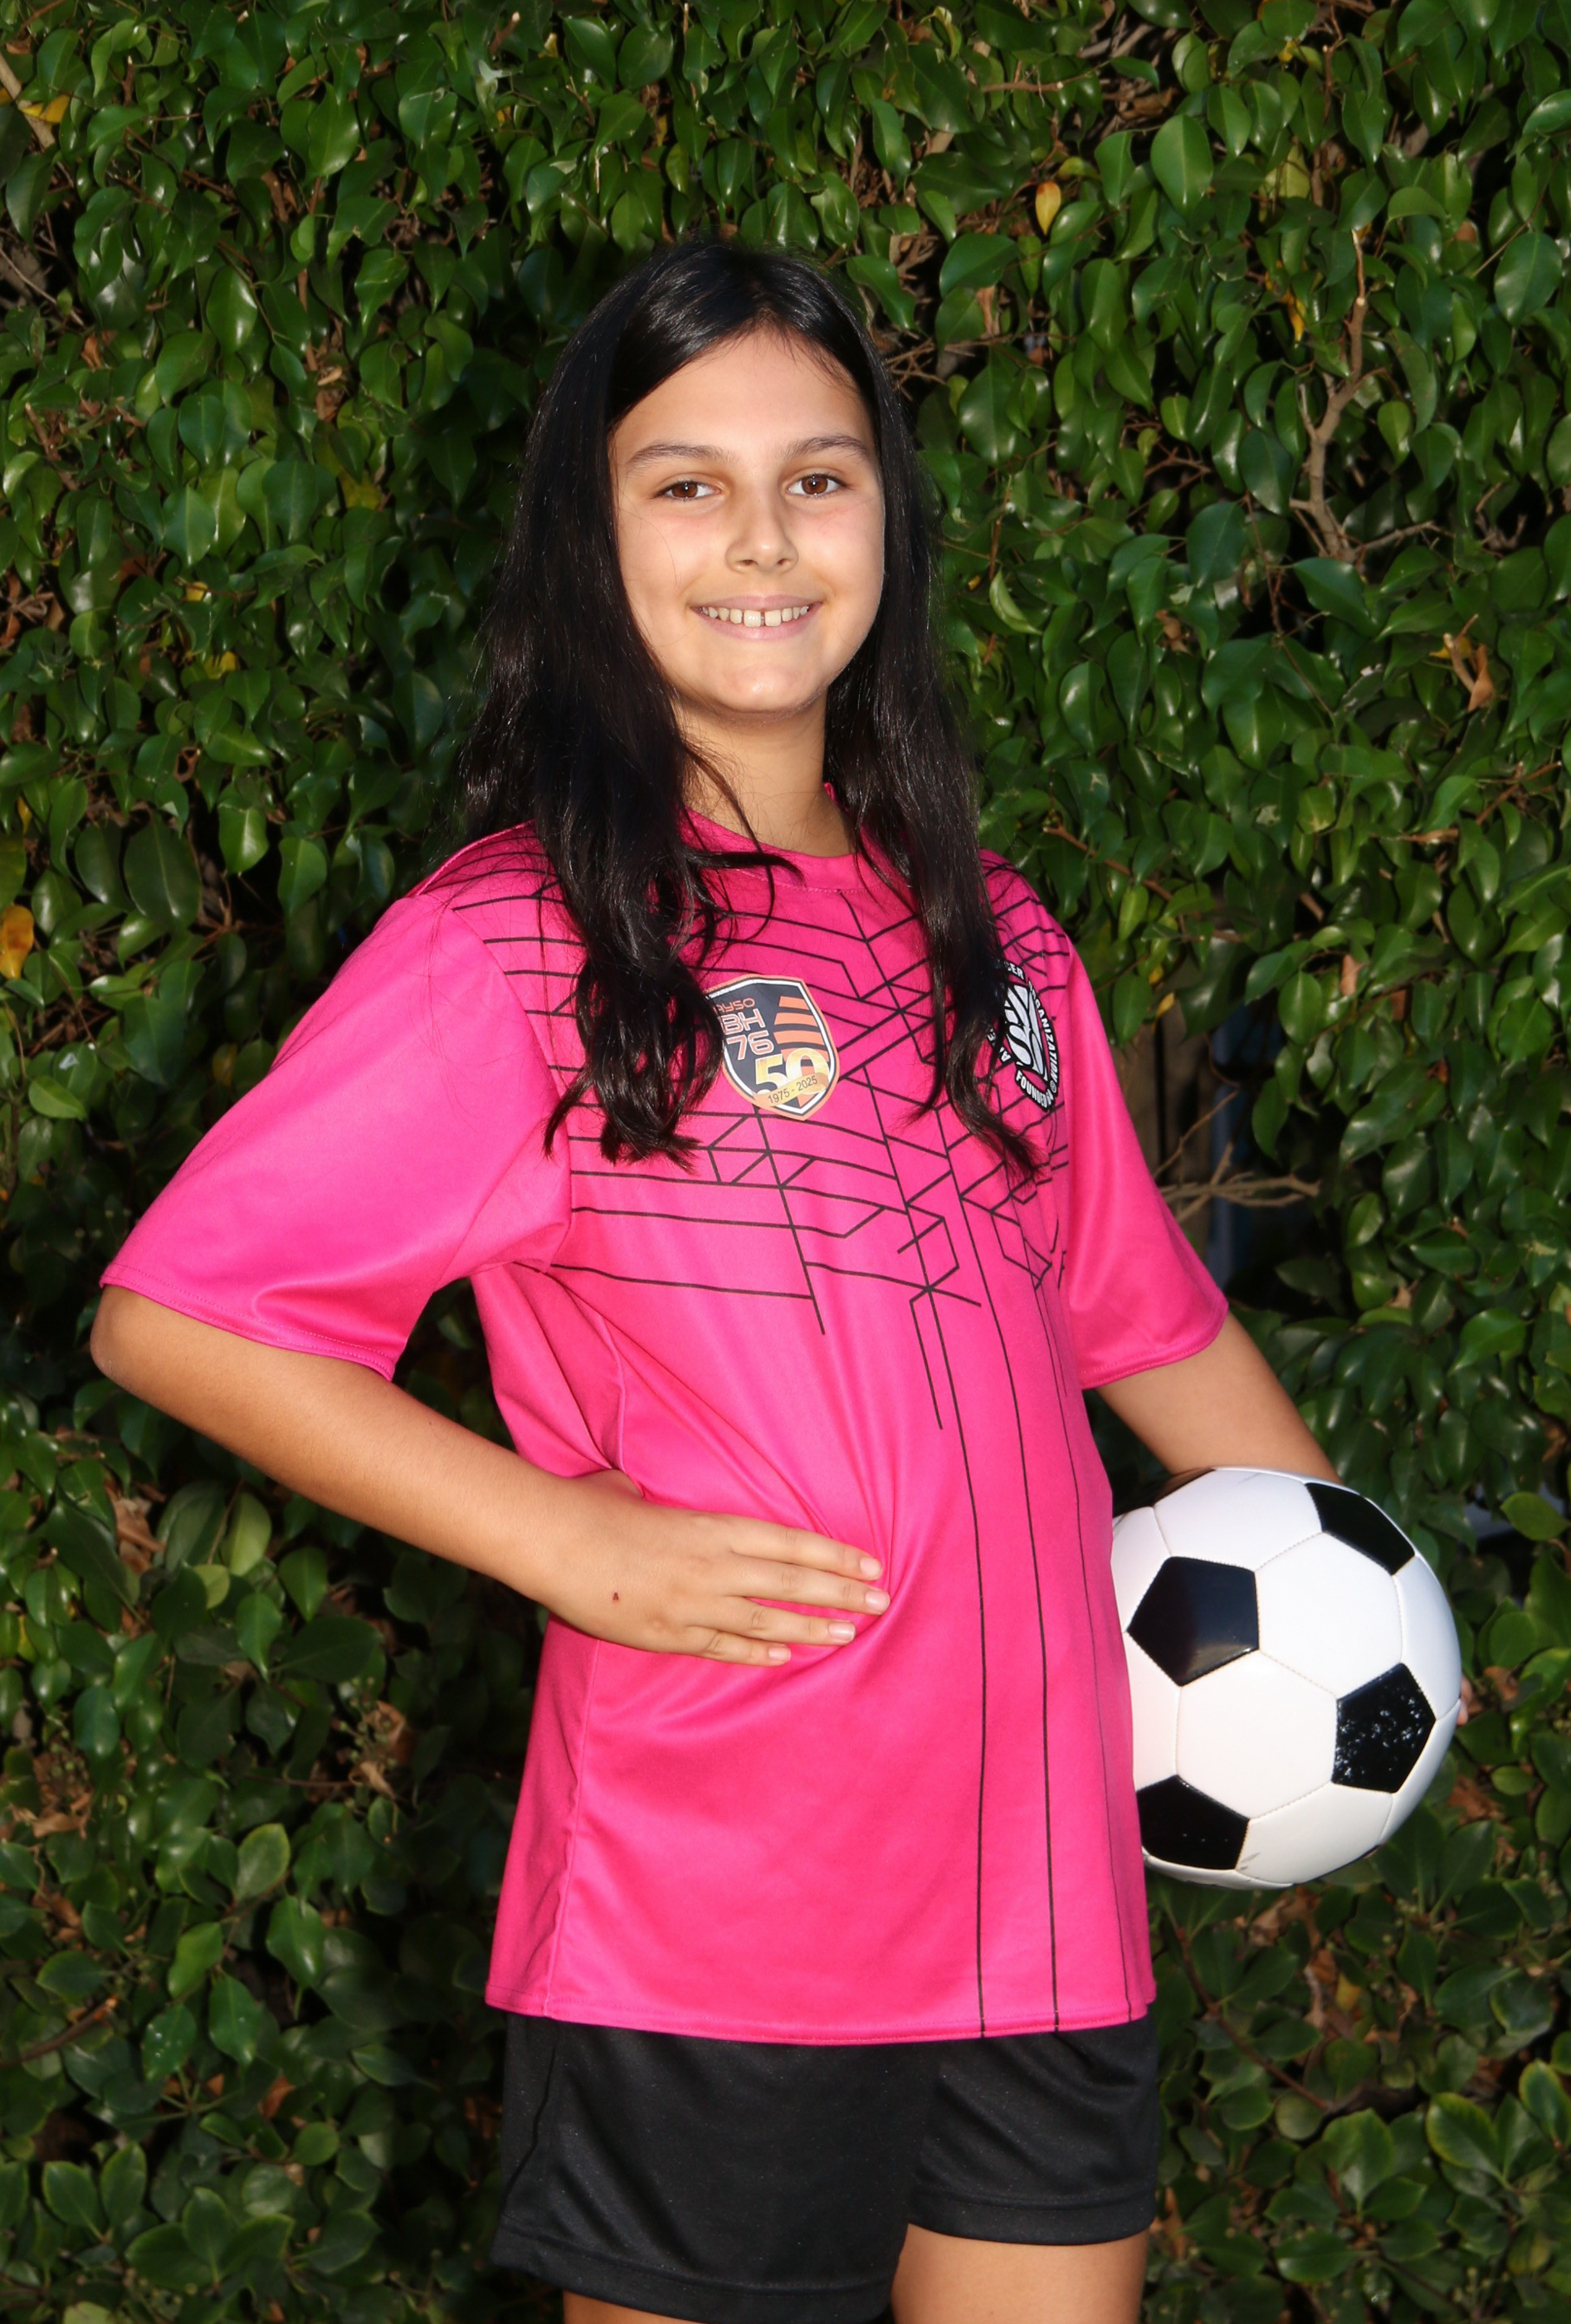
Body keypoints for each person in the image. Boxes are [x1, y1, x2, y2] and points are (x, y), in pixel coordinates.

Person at [91, 242, 1342, 2324]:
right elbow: (188, 1313)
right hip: (723, 1900)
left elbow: (1146, 1318)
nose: (761, 538)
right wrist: (566, 1538)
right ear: (586, 544)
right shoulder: (520, 939)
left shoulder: (1001, 939)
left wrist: (1355, 1586)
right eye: (685, 484)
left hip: (1045, 1903)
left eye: (817, 479)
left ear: (889, 523)